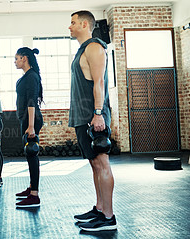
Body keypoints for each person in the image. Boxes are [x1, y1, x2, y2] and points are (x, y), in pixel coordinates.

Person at [68, 10, 117, 231]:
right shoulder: (82, 50)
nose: (69, 27)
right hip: (83, 116)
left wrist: (98, 113)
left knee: (102, 163)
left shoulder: (95, 47)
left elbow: (99, 83)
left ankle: (108, 217)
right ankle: (100, 208)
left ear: (85, 24)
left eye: (73, 23)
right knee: (94, 164)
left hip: (94, 116)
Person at [14, 47, 44, 208]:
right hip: (26, 119)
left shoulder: (31, 76)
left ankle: (34, 195)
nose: (15, 61)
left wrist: (31, 126)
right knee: (29, 154)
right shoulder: (27, 76)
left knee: (32, 153)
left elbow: (32, 101)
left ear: (24, 58)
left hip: (31, 120)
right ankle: (32, 187)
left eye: (17, 58)